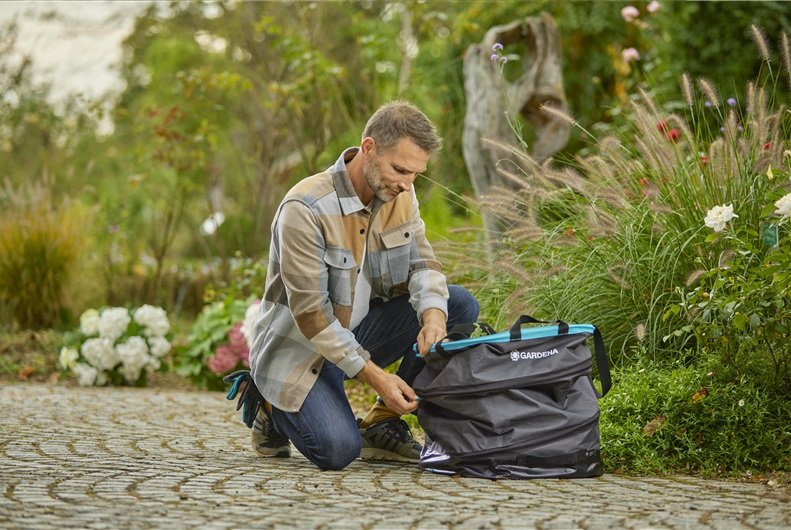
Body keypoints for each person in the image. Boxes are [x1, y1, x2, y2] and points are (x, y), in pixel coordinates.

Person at [227, 101, 479, 470]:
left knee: (456, 305)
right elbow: (312, 316)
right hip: (303, 352)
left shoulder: (400, 194)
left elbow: (423, 263)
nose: (407, 184)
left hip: (360, 334)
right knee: (338, 451)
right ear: (369, 148)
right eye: (400, 170)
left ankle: (381, 422)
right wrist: (379, 379)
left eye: (415, 174)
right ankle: (269, 402)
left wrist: (433, 319)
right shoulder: (305, 208)